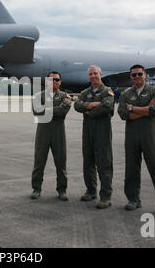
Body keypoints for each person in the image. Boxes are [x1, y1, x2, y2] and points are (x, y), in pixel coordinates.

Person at [118, 64, 155, 218]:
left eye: (139, 74)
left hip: (150, 136)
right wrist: (144, 110)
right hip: (132, 136)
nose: (136, 77)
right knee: (131, 170)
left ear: (145, 74)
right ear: (130, 77)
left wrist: (132, 109)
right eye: (133, 75)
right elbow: (122, 114)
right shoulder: (126, 94)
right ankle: (133, 199)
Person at [74, 65, 114, 209]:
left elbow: (107, 106)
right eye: (90, 74)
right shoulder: (85, 92)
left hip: (102, 131)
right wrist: (91, 104)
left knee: (104, 163)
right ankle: (91, 191)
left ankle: (106, 196)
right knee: (88, 161)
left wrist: (89, 111)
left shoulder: (107, 91)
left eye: (95, 73)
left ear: (100, 74)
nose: (93, 76)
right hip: (88, 131)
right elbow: (77, 106)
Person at [31, 71, 72, 201]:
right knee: (39, 161)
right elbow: (37, 111)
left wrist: (47, 109)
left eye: (56, 79)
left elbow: (63, 110)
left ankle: (62, 189)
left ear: (60, 82)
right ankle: (36, 188)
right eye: (51, 79)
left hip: (58, 133)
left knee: (61, 162)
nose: (54, 82)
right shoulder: (39, 96)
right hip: (43, 133)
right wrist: (54, 109)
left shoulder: (65, 96)